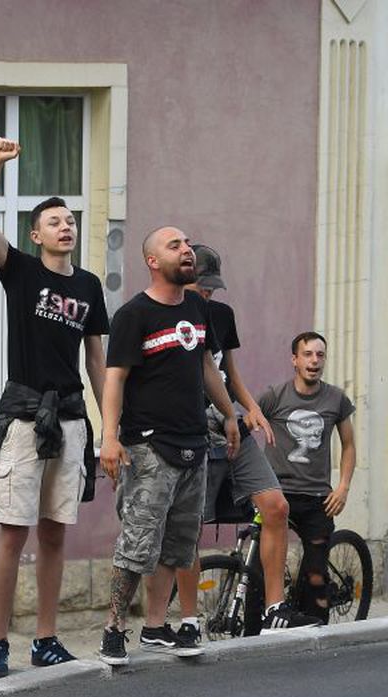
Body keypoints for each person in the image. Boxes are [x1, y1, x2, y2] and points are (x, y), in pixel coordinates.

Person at [0, 138, 109, 676]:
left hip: (71, 418)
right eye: (54, 221)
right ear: (36, 234)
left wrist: (110, 426)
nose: (64, 226)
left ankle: (46, 638)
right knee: (13, 530)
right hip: (26, 416)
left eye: (69, 219)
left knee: (55, 531)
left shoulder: (90, 286)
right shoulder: (22, 271)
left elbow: (97, 360)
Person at [97, 226, 240, 667]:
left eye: (186, 244)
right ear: (153, 261)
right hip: (148, 447)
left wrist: (229, 414)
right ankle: (113, 630)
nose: (186, 251)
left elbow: (206, 366)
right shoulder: (133, 315)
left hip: (194, 444)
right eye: (174, 245)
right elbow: (115, 379)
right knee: (138, 543)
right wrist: (109, 437)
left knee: (179, 544)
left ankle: (158, 627)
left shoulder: (197, 306)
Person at [172, 246, 318, 639]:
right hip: (188, 428)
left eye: (212, 289)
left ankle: (274, 609)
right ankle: (189, 621)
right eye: (203, 288)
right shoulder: (170, 316)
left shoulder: (220, 315)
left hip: (228, 423)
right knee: (188, 526)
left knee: (276, 506)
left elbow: (228, 373)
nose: (208, 296)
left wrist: (250, 408)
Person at [258, 332, 356, 623]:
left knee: (316, 578)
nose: (314, 361)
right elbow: (249, 422)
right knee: (259, 570)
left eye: (320, 355)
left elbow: (349, 445)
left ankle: (317, 638)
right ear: (294, 360)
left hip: (317, 499)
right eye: (308, 354)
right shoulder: (275, 396)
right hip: (277, 495)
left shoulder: (336, 399)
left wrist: (343, 488)